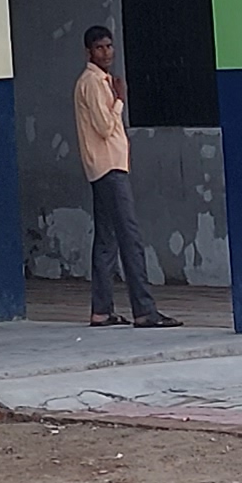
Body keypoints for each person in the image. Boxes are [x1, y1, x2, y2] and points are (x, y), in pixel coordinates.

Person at [75, 22, 179, 328]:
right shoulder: (93, 83)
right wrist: (120, 99)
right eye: (99, 48)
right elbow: (105, 127)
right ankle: (144, 310)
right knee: (130, 238)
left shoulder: (100, 81)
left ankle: (101, 310)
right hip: (108, 167)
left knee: (107, 241)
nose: (106, 53)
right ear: (89, 52)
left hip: (106, 166)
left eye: (109, 46)